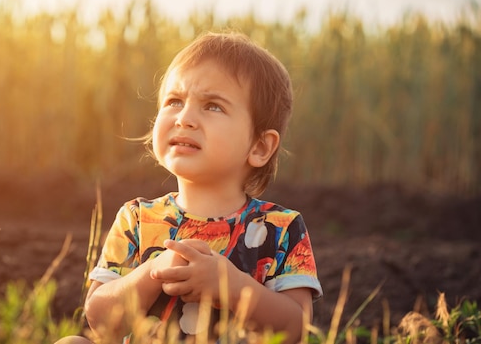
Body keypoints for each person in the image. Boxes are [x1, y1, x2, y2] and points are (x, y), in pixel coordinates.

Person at [56, 31, 322, 344]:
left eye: (213, 106)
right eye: (174, 101)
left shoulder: (282, 229)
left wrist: (231, 286)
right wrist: (154, 270)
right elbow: (101, 321)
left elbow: (296, 329)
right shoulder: (137, 218)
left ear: (260, 147)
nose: (185, 118)